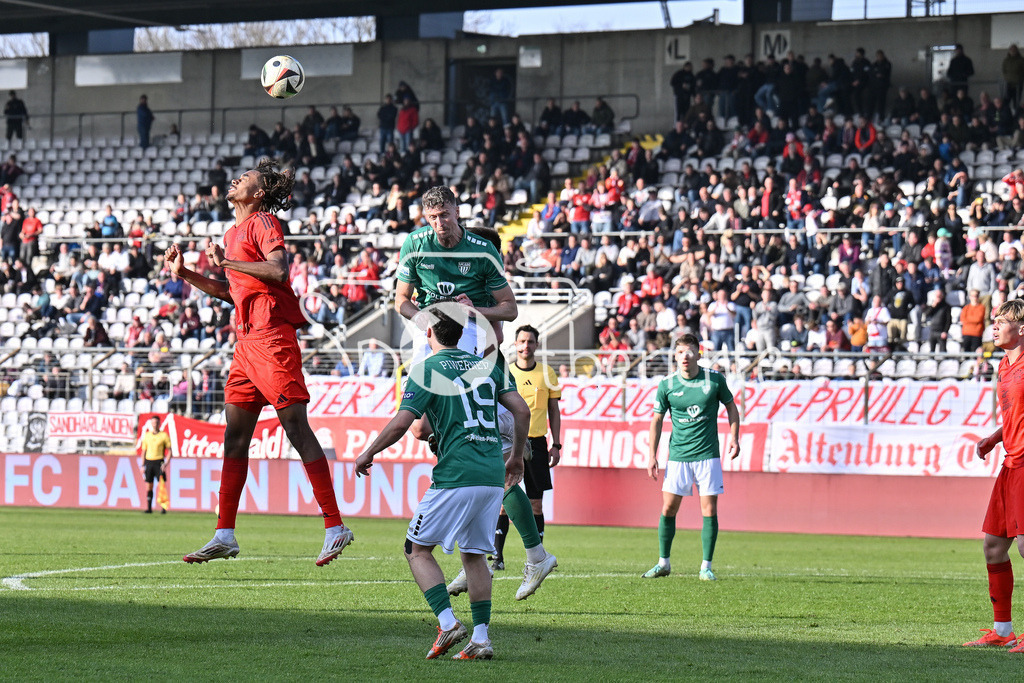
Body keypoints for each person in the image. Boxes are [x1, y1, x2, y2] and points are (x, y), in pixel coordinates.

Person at [165, 158, 353, 566]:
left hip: (272, 337)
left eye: (246, 178)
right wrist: (187, 274)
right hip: (245, 343)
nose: (236, 179)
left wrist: (227, 262)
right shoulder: (232, 232)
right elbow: (233, 293)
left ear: (259, 193)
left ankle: (336, 526)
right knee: (234, 436)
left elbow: (279, 270)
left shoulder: (262, 222)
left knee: (295, 428)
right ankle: (224, 534)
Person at [354, 310, 530, 660]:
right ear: (462, 332)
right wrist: (517, 458)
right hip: (493, 473)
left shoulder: (426, 369)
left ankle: (448, 621)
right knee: (475, 556)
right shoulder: (490, 365)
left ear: (431, 331)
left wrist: (368, 451)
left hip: (456, 474)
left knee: (416, 549)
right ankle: (481, 638)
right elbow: (522, 411)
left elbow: (407, 424)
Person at [644, 334, 741, 581]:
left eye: (689, 352)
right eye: (680, 353)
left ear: (698, 354)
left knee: (709, 510)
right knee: (668, 508)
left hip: (707, 455)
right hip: (678, 457)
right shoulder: (667, 384)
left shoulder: (715, 380)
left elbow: (731, 407)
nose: (684, 357)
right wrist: (651, 455)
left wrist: (734, 437)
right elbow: (656, 419)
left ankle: (706, 567)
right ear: (675, 356)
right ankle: (663, 563)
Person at [965, 299, 1024, 651]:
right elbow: (1013, 417)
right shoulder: (1003, 366)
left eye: (1001, 321)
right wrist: (993, 438)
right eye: (995, 321)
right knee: (993, 547)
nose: (995, 326)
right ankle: (1003, 630)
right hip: (1011, 464)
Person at [488, 324, 561, 568]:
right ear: (515, 344)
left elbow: (554, 410)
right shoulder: (506, 372)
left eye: (530, 342)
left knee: (535, 503)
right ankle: (497, 556)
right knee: (504, 503)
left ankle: (537, 555)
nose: (525, 346)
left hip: (537, 443)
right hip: (510, 442)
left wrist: (557, 444)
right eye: (522, 341)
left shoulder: (547, 373)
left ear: (536, 345)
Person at [137, 415, 171, 514]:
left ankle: (163, 508)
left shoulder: (164, 435)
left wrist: (165, 463)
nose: (155, 425)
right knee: (149, 485)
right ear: (151, 424)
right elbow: (143, 451)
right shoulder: (147, 435)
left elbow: (170, 451)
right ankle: (149, 508)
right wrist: (142, 465)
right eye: (153, 423)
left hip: (159, 461)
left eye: (156, 423)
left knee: (161, 485)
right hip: (149, 461)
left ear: (159, 423)